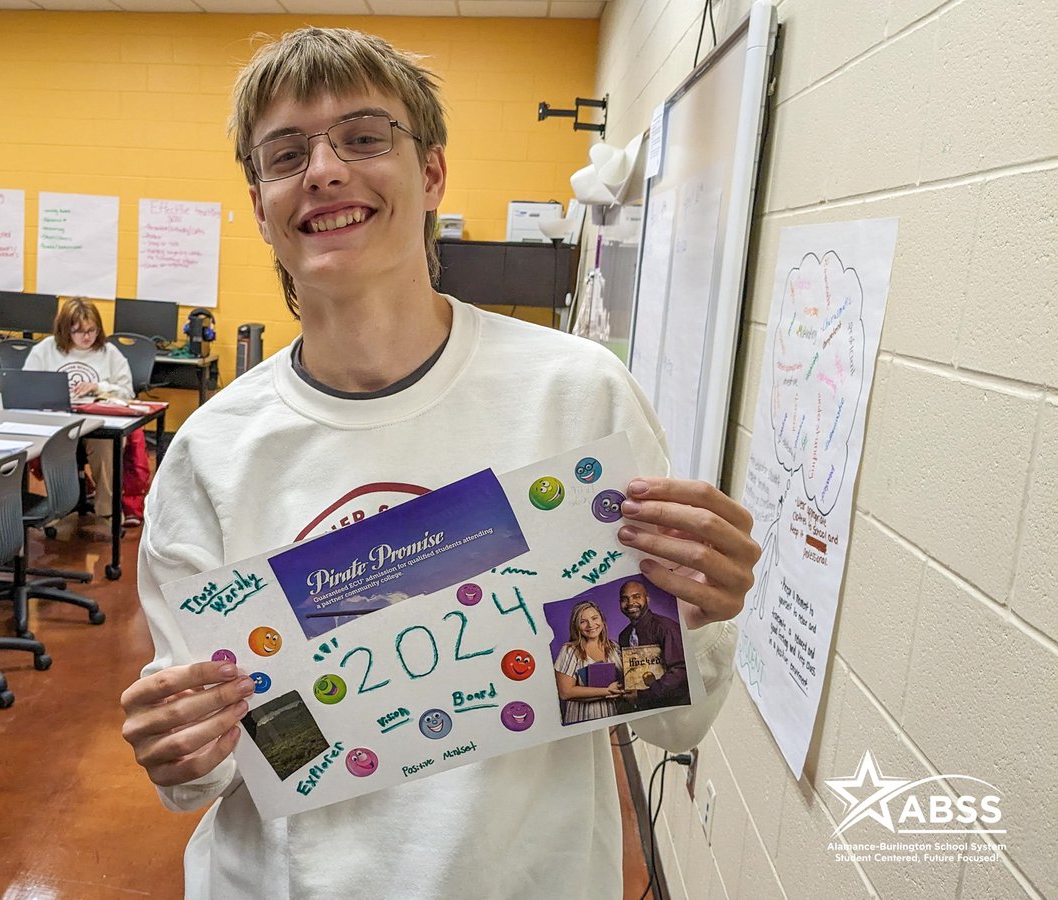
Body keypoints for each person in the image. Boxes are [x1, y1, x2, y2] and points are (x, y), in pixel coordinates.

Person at [120, 26, 761, 899]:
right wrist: (183, 743)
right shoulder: (212, 452)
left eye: (363, 137)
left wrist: (701, 609)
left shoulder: (573, 397)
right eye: (286, 154)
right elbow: (215, 768)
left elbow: (671, 723)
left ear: (431, 174)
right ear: (261, 206)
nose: (324, 170)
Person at [23, 297, 149, 527]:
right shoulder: (45, 350)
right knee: (54, 445)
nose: (87, 337)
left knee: (105, 445)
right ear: (65, 330)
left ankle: (107, 509)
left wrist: (98, 387)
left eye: (92, 330)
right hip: (58, 425)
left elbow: (127, 393)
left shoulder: (109, 352)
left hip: (99, 426)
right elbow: (26, 387)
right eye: (79, 331)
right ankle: (58, 507)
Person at [618, 578, 691, 709]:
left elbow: (680, 671)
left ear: (647, 599)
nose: (630, 603)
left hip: (672, 707)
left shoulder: (666, 628)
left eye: (636, 597)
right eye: (624, 599)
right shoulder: (624, 636)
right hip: (642, 708)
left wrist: (644, 695)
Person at [553, 599, 625, 724]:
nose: (590, 625)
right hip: (583, 720)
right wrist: (608, 691)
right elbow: (565, 692)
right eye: (583, 622)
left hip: (614, 718)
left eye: (594, 618)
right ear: (576, 626)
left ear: (602, 620)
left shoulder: (615, 647)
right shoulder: (570, 650)